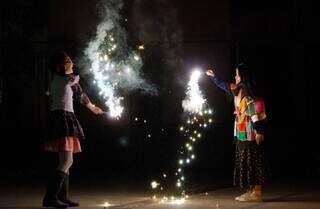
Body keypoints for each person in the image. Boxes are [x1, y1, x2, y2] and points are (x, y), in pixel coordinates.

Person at [43, 51, 103, 208]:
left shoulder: (57, 79)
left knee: (66, 161)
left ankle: (62, 197)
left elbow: (77, 93)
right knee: (67, 161)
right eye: (68, 61)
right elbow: (80, 94)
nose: (71, 62)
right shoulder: (67, 79)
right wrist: (92, 108)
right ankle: (50, 197)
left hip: (61, 118)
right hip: (63, 118)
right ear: (60, 66)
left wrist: (92, 107)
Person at [206, 63, 268, 202]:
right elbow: (224, 86)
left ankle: (256, 192)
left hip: (250, 133)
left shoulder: (246, 92)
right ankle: (250, 191)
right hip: (241, 132)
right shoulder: (237, 89)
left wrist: (259, 131)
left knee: (252, 161)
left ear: (243, 76)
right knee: (245, 161)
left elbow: (253, 113)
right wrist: (214, 77)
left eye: (237, 74)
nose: (235, 76)